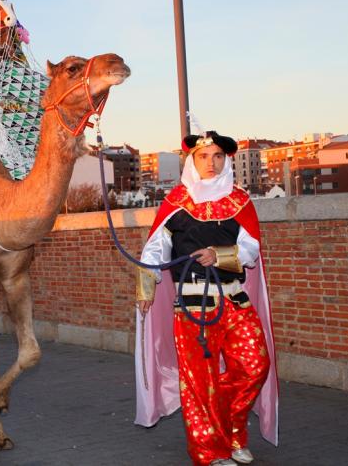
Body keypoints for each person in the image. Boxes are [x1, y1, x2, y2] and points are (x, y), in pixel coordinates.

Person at [135, 132, 278, 466]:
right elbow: (154, 249)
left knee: (255, 367)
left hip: (236, 302)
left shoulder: (240, 200)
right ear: (192, 160)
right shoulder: (177, 201)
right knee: (200, 382)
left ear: (226, 159)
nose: (211, 163)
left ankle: (231, 432)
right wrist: (145, 289)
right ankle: (208, 451)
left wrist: (219, 254)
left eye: (217, 156)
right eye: (203, 157)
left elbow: (251, 250)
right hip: (192, 307)